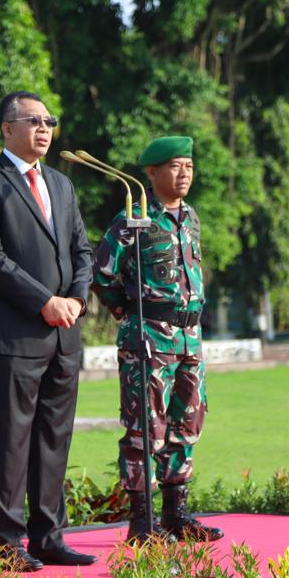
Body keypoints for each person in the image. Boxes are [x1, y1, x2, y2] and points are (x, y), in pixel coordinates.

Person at [0, 90, 96, 571]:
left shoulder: (61, 184)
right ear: (6, 129)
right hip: (15, 333)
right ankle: (6, 542)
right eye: (33, 121)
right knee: (12, 438)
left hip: (64, 332)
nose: (44, 128)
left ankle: (48, 536)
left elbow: (83, 250)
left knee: (54, 439)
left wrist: (77, 298)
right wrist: (45, 301)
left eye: (50, 121)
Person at [91, 136, 223, 543]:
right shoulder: (134, 219)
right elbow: (103, 276)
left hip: (189, 340)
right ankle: (142, 522)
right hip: (149, 341)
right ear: (151, 173)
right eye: (174, 166)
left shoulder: (191, 217)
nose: (184, 174)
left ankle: (175, 515)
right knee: (145, 430)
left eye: (188, 166)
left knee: (187, 426)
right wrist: (129, 317)